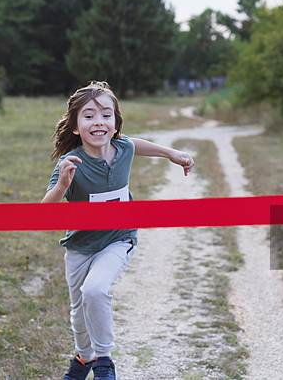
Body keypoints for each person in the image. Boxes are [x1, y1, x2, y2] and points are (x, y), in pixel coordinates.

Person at [42, 81, 194, 380]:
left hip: (119, 239)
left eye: (106, 115)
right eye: (89, 116)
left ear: (115, 123)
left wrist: (171, 154)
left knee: (95, 290)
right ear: (75, 127)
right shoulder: (70, 163)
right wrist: (62, 185)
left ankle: (104, 362)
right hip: (80, 246)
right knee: (79, 311)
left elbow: (134, 143)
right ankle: (83, 359)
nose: (98, 122)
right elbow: (44, 212)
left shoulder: (122, 148)